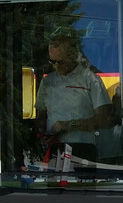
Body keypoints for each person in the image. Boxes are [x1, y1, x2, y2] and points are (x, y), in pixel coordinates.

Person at [35, 29, 111, 162]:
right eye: (53, 62)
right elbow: (41, 115)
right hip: (55, 147)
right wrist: (42, 133)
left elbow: (103, 119)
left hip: (83, 146)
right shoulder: (48, 82)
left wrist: (70, 125)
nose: (56, 67)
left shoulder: (90, 79)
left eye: (61, 62)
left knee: (83, 182)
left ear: (72, 56)